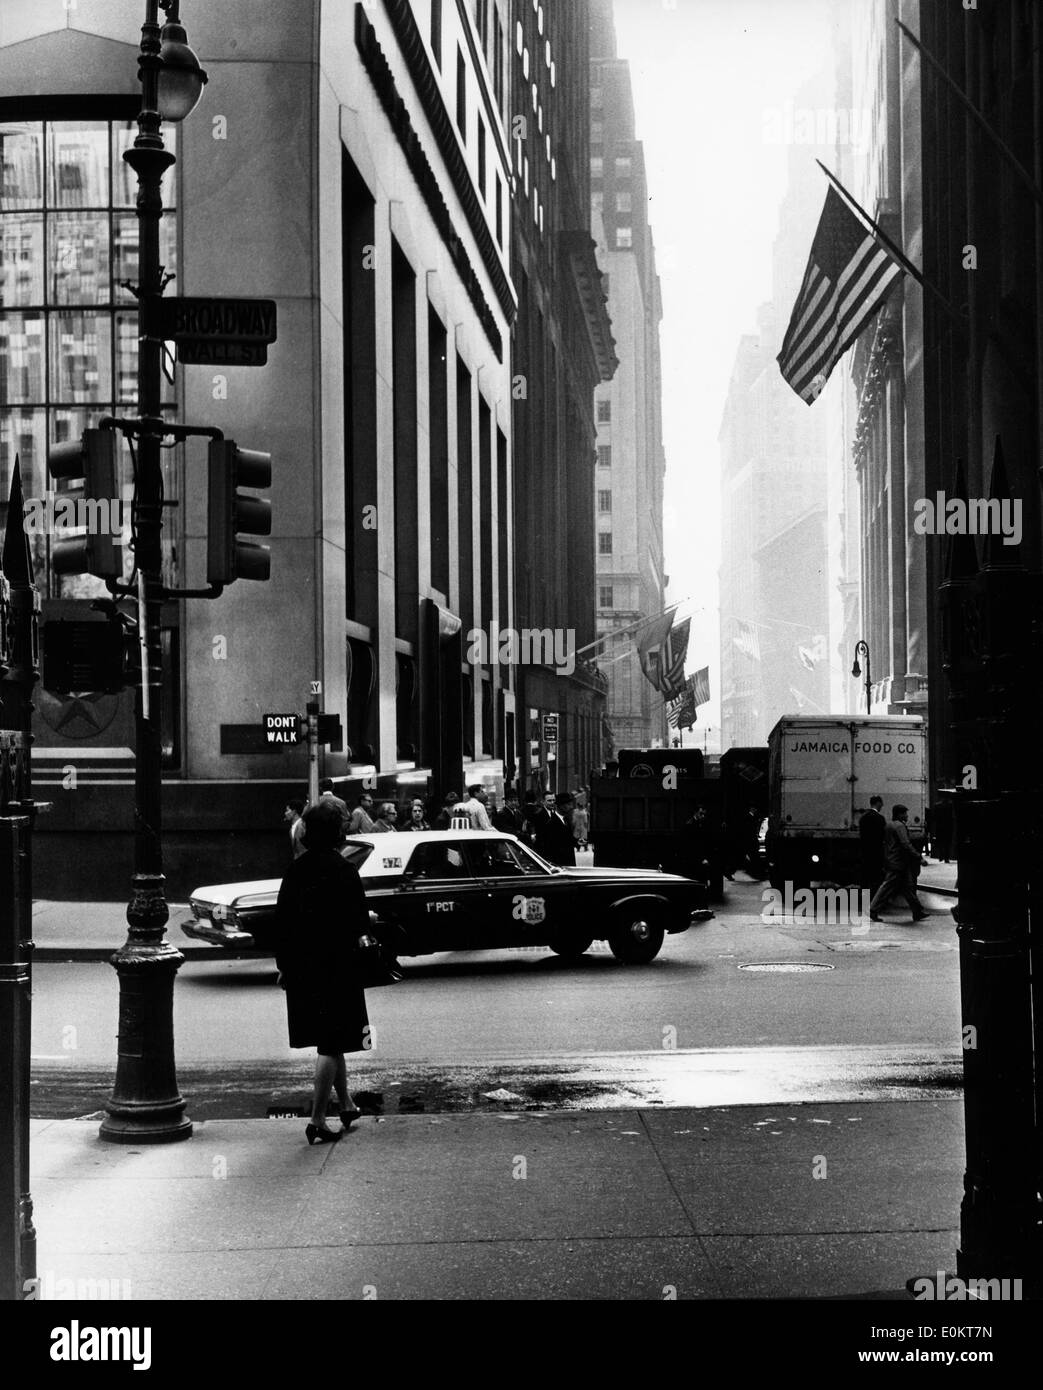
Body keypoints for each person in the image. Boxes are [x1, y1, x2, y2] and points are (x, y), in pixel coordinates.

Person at [274, 802, 371, 1145]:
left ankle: (346, 1103)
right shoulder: (344, 870)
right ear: (336, 833)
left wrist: (284, 967)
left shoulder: (295, 871)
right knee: (332, 1043)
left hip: (303, 967)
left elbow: (281, 925)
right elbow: (360, 920)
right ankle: (317, 1119)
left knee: (332, 1038)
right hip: (337, 967)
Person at [869, 804, 928, 922]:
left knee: (907, 887)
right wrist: (918, 857)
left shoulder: (889, 825)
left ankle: (917, 911)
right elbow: (906, 844)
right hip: (898, 862)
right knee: (888, 887)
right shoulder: (900, 826)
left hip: (893, 860)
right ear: (899, 814)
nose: (907, 816)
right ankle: (873, 909)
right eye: (905, 813)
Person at [538, 793, 577, 866]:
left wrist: (577, 841)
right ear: (561, 806)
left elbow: (568, 840)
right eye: (568, 804)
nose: (571, 807)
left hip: (568, 863)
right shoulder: (551, 823)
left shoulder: (566, 820)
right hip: (559, 865)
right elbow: (549, 848)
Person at [859, 795, 886, 894]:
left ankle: (864, 893)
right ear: (878, 803)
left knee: (865, 873)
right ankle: (875, 895)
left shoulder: (863, 817)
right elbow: (882, 836)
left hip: (865, 850)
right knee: (876, 874)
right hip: (876, 851)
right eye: (881, 803)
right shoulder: (879, 818)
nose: (882, 805)